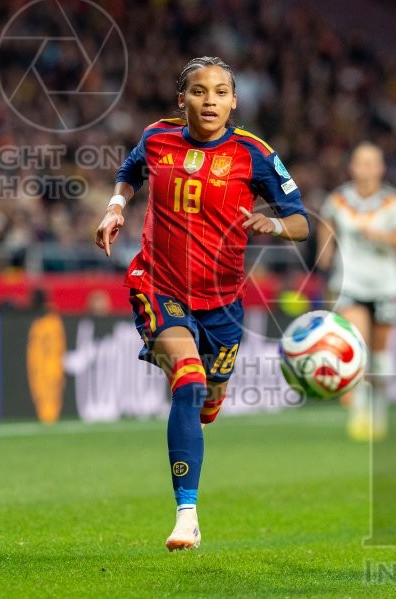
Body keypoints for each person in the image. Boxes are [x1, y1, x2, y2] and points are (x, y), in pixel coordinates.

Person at [93, 57, 309, 551]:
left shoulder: (254, 154)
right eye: (198, 91)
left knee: (208, 402)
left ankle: (213, 394)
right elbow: (130, 169)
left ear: (234, 102)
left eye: (219, 92)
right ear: (181, 100)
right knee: (187, 383)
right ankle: (186, 515)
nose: (208, 100)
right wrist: (115, 207)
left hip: (223, 303)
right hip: (159, 284)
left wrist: (272, 225)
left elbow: (300, 222)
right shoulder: (157, 139)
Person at [316, 142, 396, 441]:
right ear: (352, 167)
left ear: (381, 168)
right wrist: (324, 263)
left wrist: (382, 236)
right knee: (357, 347)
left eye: (372, 162)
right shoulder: (338, 200)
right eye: (361, 162)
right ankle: (359, 414)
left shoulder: (392, 202)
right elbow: (326, 234)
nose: (366, 168)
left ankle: (380, 411)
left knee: (380, 353)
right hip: (351, 283)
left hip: (385, 285)